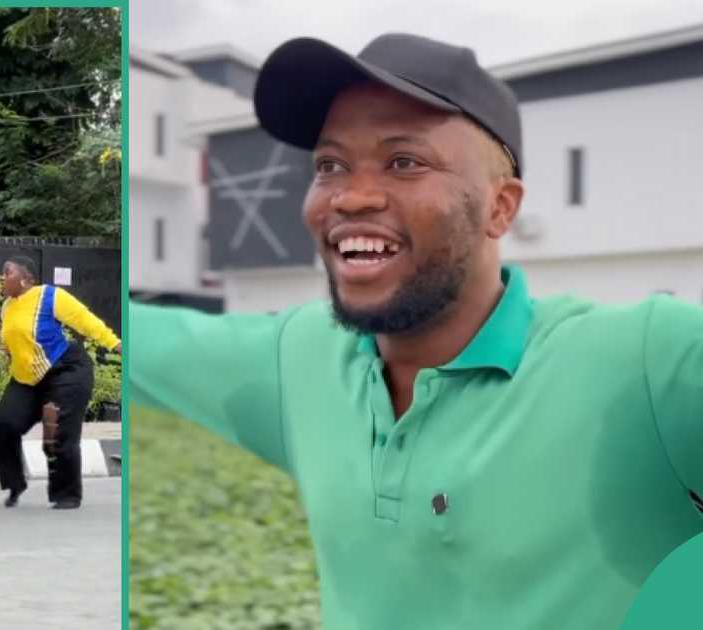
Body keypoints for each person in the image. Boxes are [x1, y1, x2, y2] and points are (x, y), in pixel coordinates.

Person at [129, 33, 703, 630]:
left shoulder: (645, 361)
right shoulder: (296, 357)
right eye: (330, 165)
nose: (351, 196)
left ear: (499, 208)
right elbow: (131, 337)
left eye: (404, 161)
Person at [0, 255, 120, 510]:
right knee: (4, 423)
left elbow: (85, 320)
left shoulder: (48, 296)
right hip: (27, 378)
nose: (2, 278)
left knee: (58, 434)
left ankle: (67, 495)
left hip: (66, 370)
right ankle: (14, 483)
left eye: (8, 272)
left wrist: (115, 344)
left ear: (26, 279)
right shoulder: (7, 306)